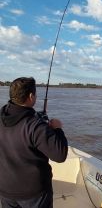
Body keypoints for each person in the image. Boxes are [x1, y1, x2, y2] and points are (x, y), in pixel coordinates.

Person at [0, 77, 68, 208]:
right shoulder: (36, 126)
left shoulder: (2, 115)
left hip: (5, 189)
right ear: (31, 96)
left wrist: (36, 117)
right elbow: (60, 155)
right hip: (34, 194)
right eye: (35, 94)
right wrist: (57, 128)